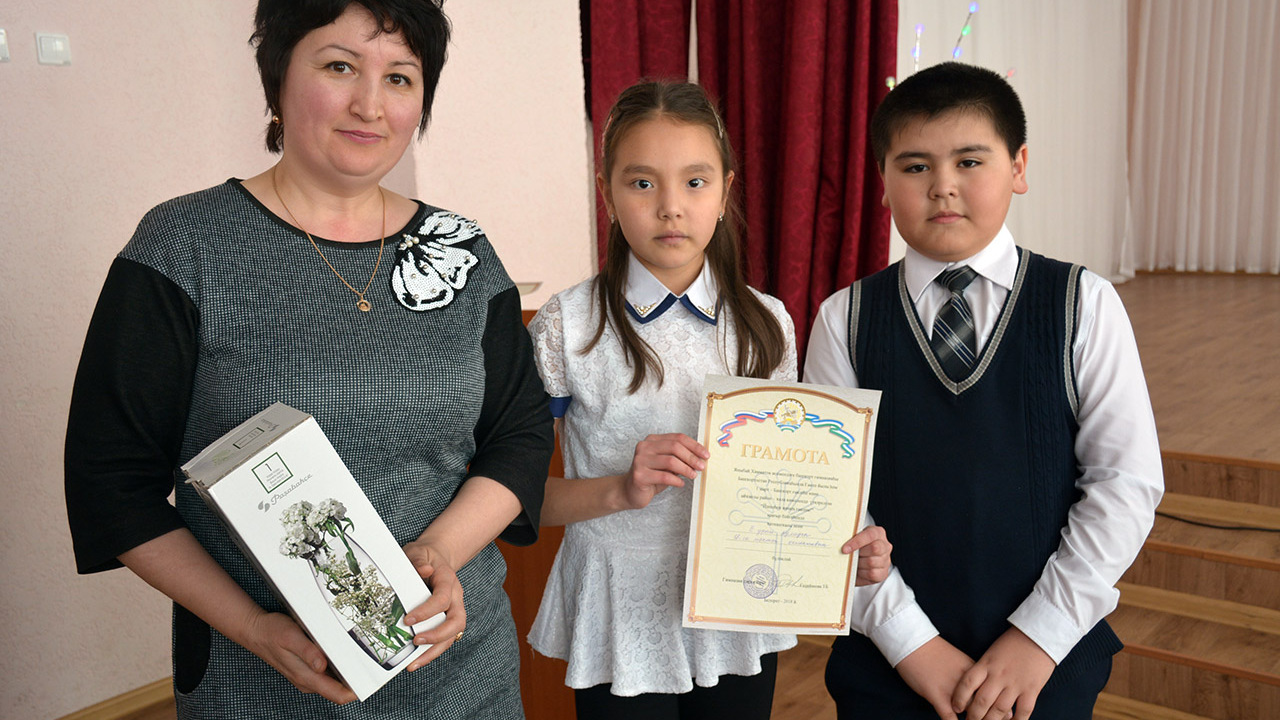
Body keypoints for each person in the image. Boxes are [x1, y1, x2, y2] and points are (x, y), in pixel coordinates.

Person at [63, 1, 552, 718]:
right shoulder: (183, 246)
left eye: (400, 77)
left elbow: (520, 435)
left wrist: (439, 553)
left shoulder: (463, 253)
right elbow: (112, 482)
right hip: (257, 677)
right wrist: (254, 629)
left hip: (462, 676)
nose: (370, 105)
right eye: (339, 66)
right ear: (278, 77)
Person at [804, 62, 1164, 720]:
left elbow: (1126, 482)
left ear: (1018, 167)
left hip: (1046, 663)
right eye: (914, 166)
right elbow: (828, 502)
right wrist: (912, 644)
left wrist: (1039, 636)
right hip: (887, 662)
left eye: (969, 161)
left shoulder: (1083, 303)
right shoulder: (844, 319)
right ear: (882, 181)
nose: (943, 186)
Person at [524, 80, 892, 720]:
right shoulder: (567, 325)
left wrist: (841, 543)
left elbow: (789, 476)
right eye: (642, 183)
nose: (671, 207)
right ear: (607, 193)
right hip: (619, 605)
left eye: (695, 182)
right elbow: (521, 499)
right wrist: (621, 490)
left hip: (739, 601)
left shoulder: (767, 323)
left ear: (725, 192)